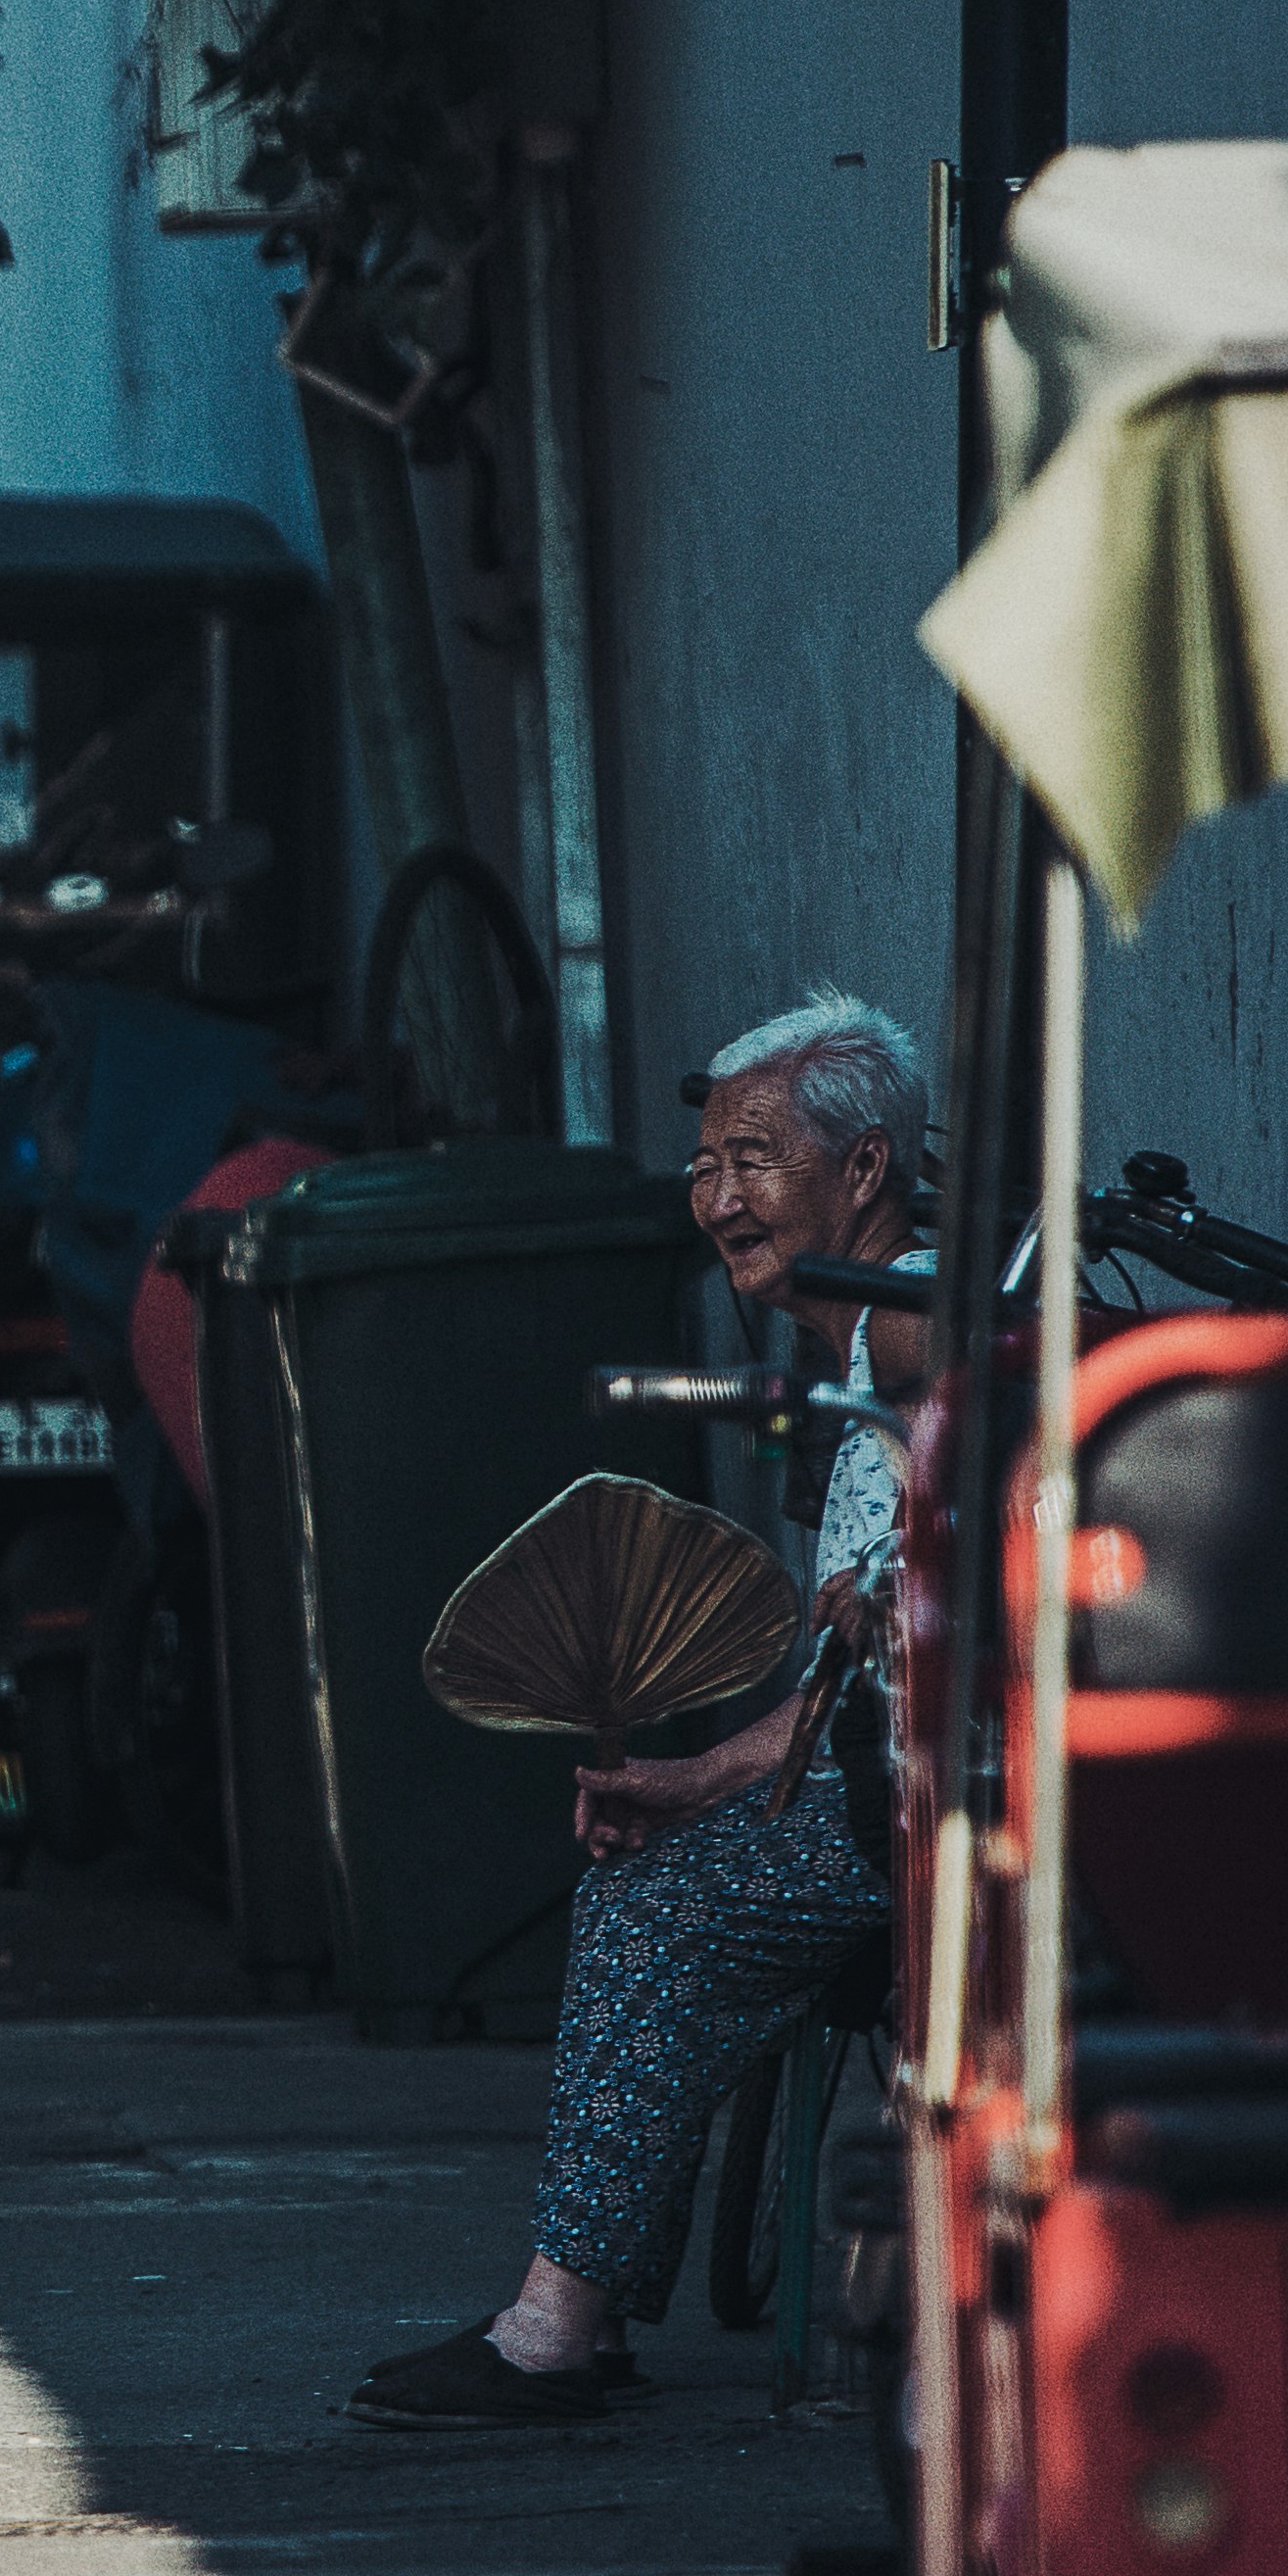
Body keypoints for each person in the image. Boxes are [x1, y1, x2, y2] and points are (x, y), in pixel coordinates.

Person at [348, 990, 931, 2427]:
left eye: (756, 1161)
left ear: (863, 1174)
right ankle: (585, 2305)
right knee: (659, 1860)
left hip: (936, 1807)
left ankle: (558, 2329)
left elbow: (911, 1666)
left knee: (646, 1913)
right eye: (707, 1168)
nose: (720, 1197)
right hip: (879, 1779)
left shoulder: (920, 1336)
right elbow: (849, 1691)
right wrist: (695, 1779)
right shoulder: (860, 1349)